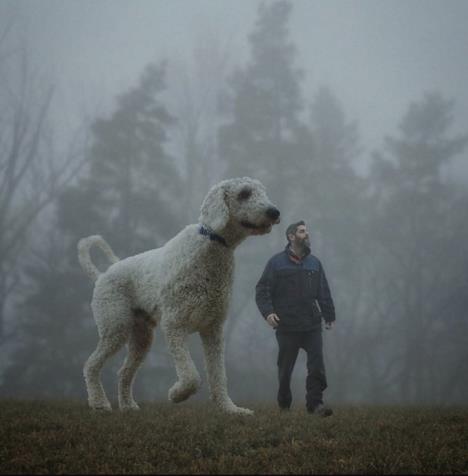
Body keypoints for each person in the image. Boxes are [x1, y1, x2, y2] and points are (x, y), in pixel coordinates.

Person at [255, 220, 335, 416]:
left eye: (306, 231)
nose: (306, 234)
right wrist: (268, 312)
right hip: (287, 326)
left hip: (311, 325)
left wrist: (329, 315)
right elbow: (262, 290)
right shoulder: (276, 263)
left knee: (317, 367)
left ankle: (315, 405)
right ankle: (284, 404)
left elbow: (323, 291)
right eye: (301, 231)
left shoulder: (314, 263)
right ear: (291, 236)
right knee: (285, 371)